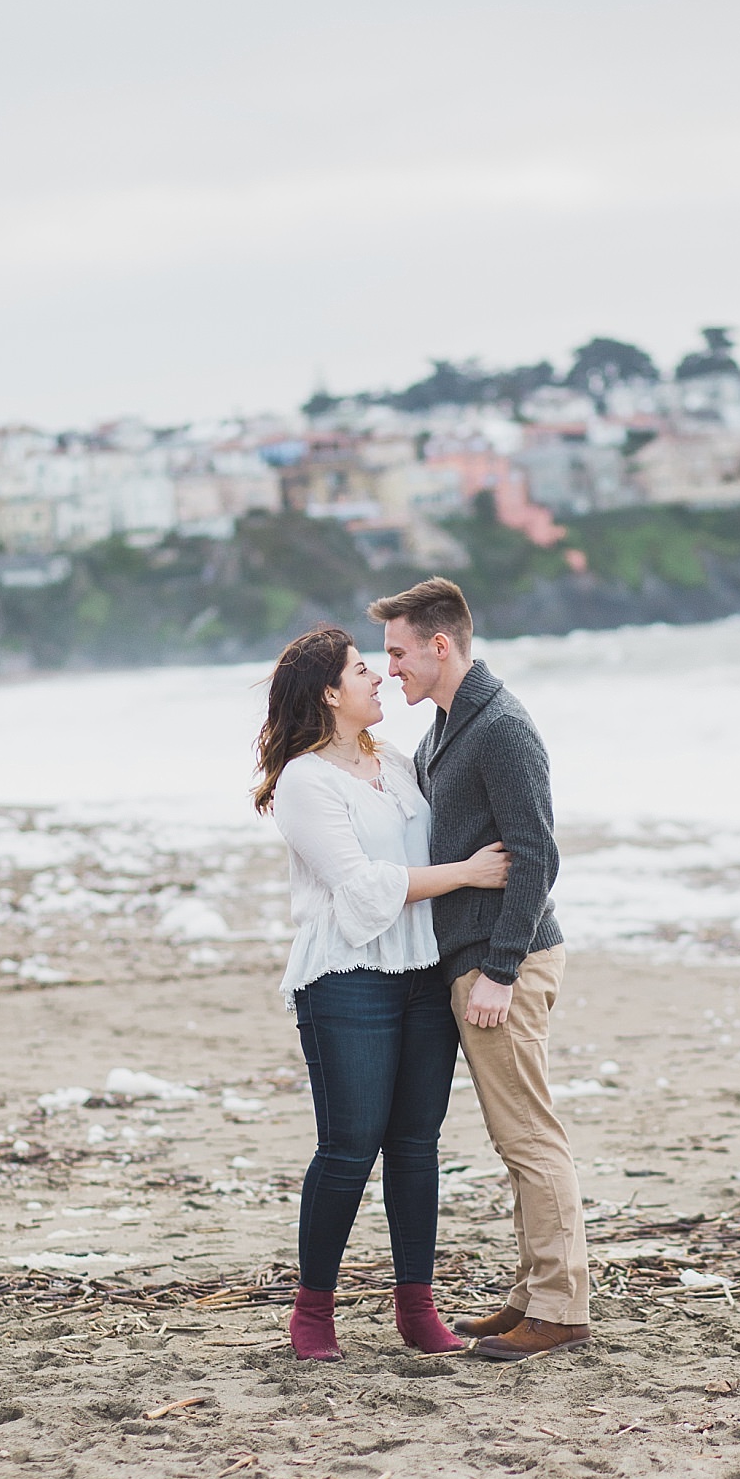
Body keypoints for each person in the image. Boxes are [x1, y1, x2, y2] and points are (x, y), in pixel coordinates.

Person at [253, 625, 511, 1363]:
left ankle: (417, 1307)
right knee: (348, 1146)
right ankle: (313, 1312)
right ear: (330, 693)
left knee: (415, 1145)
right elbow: (363, 891)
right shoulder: (306, 779)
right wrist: (467, 873)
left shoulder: (395, 763)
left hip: (422, 972)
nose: (380, 678)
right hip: (345, 979)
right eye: (363, 669)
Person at [367, 578, 591, 1361]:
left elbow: (536, 855)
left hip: (510, 959)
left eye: (397, 653)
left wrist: (499, 970)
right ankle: (535, 1293)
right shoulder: (444, 728)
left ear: (439, 645)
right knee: (514, 1136)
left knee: (530, 1134)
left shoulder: (500, 727)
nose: (388, 667)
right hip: (477, 958)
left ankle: (562, 1309)